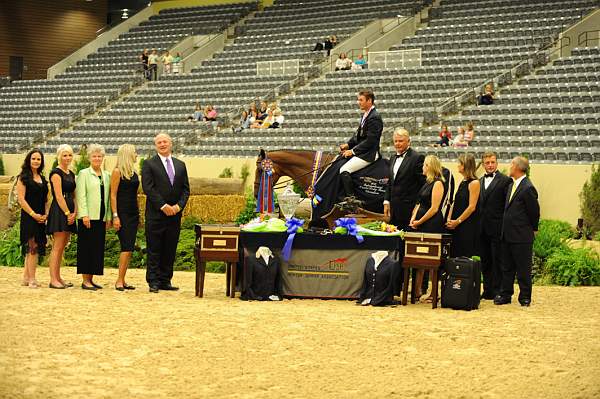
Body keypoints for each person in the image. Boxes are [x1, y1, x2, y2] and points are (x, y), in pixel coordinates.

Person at [142, 133, 190, 293]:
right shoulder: (149, 164)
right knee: (154, 249)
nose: (162, 144)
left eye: (165, 142)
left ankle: (165, 280)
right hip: (156, 215)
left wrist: (178, 207)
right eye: (159, 142)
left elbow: (185, 190)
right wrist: (163, 206)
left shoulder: (180, 164)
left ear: (171, 144)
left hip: (175, 216)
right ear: (156, 145)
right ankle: (153, 281)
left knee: (170, 248)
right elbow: (148, 188)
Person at [495, 156, 540, 307]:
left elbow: (534, 212)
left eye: (511, 164)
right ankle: (505, 294)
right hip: (507, 234)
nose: (509, 166)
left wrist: (534, 228)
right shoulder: (511, 186)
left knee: (523, 268)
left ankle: (525, 296)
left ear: (517, 167)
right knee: (506, 267)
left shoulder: (528, 187)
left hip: (521, 236)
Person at [75, 144, 111, 291]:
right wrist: (84, 214)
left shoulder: (106, 175)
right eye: (94, 156)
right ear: (89, 158)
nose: (97, 158)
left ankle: (91, 279)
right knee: (86, 248)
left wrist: (108, 216)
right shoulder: (83, 173)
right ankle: (85, 281)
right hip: (87, 217)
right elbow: (80, 195)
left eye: (99, 156)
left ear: (103, 158)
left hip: (100, 217)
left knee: (96, 249)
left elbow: (107, 198)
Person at [409, 155, 445, 300]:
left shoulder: (438, 183)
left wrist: (419, 221)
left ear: (430, 166)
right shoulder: (426, 183)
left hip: (432, 224)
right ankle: (417, 290)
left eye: (424, 165)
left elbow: (434, 208)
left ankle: (434, 292)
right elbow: (419, 203)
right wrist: (413, 218)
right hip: (420, 223)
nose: (422, 167)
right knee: (418, 258)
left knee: (431, 259)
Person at [338, 89, 383, 200]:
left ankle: (351, 200)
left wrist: (352, 151)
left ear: (369, 101)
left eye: (361, 100)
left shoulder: (375, 117)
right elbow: (358, 135)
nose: (359, 102)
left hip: (369, 153)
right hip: (363, 151)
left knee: (344, 170)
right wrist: (348, 145)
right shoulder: (366, 115)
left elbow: (370, 141)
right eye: (358, 100)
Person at [478, 151, 511, 299]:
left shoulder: (505, 181)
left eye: (492, 162)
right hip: (482, 229)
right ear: (483, 164)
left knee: (497, 260)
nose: (490, 165)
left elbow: (507, 206)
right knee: (485, 260)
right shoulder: (478, 182)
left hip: (498, 229)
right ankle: (487, 290)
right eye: (487, 163)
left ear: (497, 163)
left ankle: (498, 290)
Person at [46, 144, 77, 289]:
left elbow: (74, 195)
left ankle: (59, 277)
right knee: (57, 246)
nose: (67, 157)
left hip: (70, 210)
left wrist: (75, 212)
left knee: (63, 245)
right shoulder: (56, 173)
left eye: (70, 155)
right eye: (65, 155)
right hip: (60, 211)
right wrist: (67, 213)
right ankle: (53, 279)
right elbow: (58, 196)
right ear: (59, 156)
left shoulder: (71, 173)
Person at [16, 149, 48, 288]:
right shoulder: (23, 177)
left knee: (33, 247)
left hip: (41, 217)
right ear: (29, 160)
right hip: (29, 217)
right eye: (33, 158)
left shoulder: (42, 178)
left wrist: (46, 214)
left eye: (38, 159)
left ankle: (25, 277)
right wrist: (33, 214)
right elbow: (21, 200)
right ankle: (32, 279)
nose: (36, 161)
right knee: (32, 246)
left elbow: (46, 199)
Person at [110, 144, 140, 291]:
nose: (137, 155)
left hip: (133, 213)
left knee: (129, 248)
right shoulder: (117, 172)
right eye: (135, 152)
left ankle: (123, 279)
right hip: (123, 214)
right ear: (128, 154)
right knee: (126, 248)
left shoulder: (134, 173)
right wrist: (115, 216)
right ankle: (119, 281)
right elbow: (113, 195)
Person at [383, 128, 425, 229]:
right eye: (395, 141)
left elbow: (423, 185)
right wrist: (386, 201)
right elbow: (390, 183)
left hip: (409, 210)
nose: (397, 144)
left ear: (408, 141)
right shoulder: (392, 158)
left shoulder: (417, 158)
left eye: (401, 141)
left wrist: (418, 207)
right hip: (394, 209)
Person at [446, 153, 481, 257]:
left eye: (459, 163)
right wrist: (449, 217)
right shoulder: (463, 181)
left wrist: (457, 221)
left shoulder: (474, 183)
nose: (457, 165)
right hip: (456, 224)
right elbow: (455, 202)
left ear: (465, 165)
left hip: (466, 226)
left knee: (464, 255)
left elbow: (471, 207)